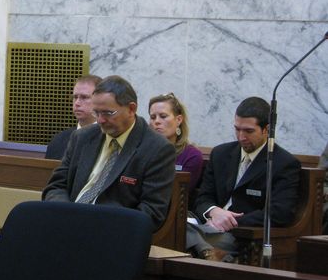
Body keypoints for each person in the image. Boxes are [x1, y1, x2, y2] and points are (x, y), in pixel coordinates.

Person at [42, 75, 176, 230]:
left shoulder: (157, 149)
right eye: (96, 113)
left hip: (112, 233)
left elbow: (151, 212)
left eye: (107, 113)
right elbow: (56, 186)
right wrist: (67, 214)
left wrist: (98, 226)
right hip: (66, 222)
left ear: (131, 109)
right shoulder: (82, 137)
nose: (100, 120)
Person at [186, 96, 301, 262]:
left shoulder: (283, 163)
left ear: (266, 129)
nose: (241, 137)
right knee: (176, 226)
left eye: (248, 131)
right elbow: (203, 197)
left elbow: (279, 213)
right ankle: (207, 251)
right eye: (237, 129)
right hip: (206, 225)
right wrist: (214, 211)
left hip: (240, 234)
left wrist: (229, 221)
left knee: (182, 234)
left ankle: (208, 251)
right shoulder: (220, 154)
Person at [148, 93, 204, 199]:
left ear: (178, 120)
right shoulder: (143, 150)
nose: (157, 121)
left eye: (163, 116)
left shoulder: (191, 155)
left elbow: (177, 194)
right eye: (153, 117)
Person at [45, 75, 102, 160]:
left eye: (84, 97)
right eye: (75, 97)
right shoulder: (59, 140)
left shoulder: (109, 139)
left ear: (100, 100)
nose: (77, 103)